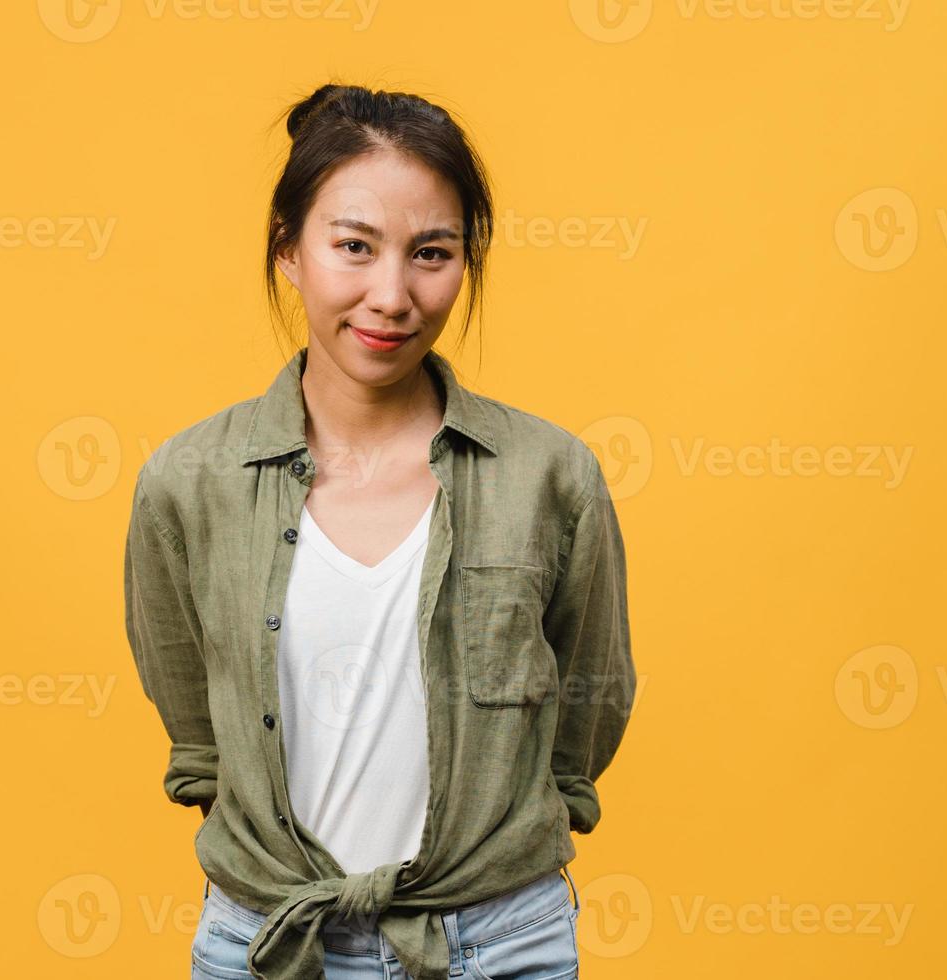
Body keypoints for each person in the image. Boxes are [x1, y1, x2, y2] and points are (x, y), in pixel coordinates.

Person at [124, 82, 636, 980]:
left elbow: (587, 707)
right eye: (354, 247)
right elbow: (195, 726)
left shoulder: (549, 476)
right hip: (267, 942)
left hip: (502, 944)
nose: (392, 295)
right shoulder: (189, 482)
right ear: (289, 250)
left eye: (430, 253)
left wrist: (506, 836)